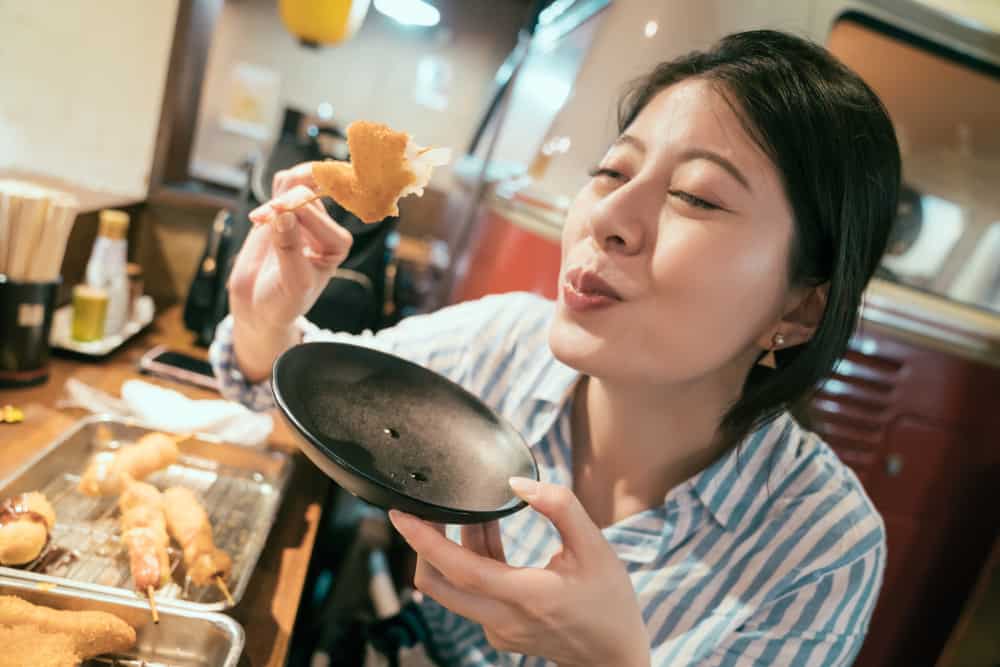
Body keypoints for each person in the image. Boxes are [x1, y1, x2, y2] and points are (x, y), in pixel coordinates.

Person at [211, 29, 900, 667]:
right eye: (611, 172)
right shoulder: (506, 342)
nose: (607, 218)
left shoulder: (823, 545)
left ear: (802, 305)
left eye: (695, 196)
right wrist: (264, 319)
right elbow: (308, 396)